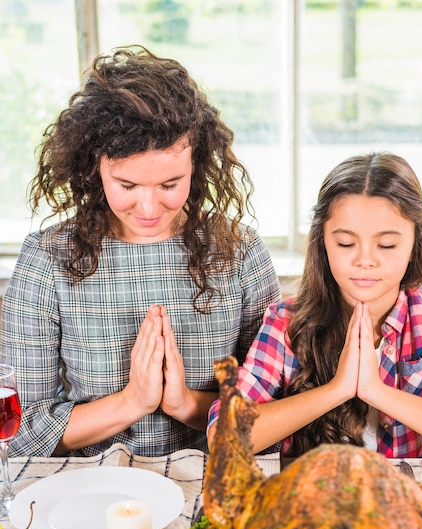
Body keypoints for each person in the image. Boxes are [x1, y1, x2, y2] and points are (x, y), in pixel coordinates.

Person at [0, 45, 281, 457]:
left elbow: (274, 412)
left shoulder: (240, 251)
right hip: (92, 489)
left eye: (170, 184)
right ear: (94, 167)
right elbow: (21, 431)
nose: (149, 209)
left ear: (196, 164)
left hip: (215, 479)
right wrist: (132, 402)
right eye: (127, 186)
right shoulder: (47, 259)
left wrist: (184, 403)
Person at [208, 152, 422, 459]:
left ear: (415, 244)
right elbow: (223, 436)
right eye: (346, 243)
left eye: (387, 244)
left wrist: (377, 392)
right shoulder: (285, 323)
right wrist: (338, 388)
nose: (365, 260)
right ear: (323, 243)